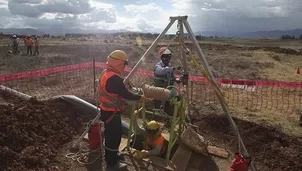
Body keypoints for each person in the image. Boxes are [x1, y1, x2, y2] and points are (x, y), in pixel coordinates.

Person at [98, 50, 145, 170]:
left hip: (105, 110)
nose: (125, 67)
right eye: (124, 64)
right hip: (111, 113)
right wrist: (139, 97)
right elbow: (126, 94)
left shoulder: (106, 72)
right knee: (113, 137)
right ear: (119, 64)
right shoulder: (114, 79)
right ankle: (112, 164)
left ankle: (112, 155)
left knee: (111, 135)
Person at [152, 47, 181, 115]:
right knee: (157, 107)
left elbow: (172, 76)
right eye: (165, 57)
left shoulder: (169, 65)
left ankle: (167, 119)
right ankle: (155, 119)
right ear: (161, 57)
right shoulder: (158, 66)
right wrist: (172, 68)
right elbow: (161, 71)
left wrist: (177, 79)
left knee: (168, 107)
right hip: (158, 90)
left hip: (168, 90)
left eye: (169, 57)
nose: (167, 59)